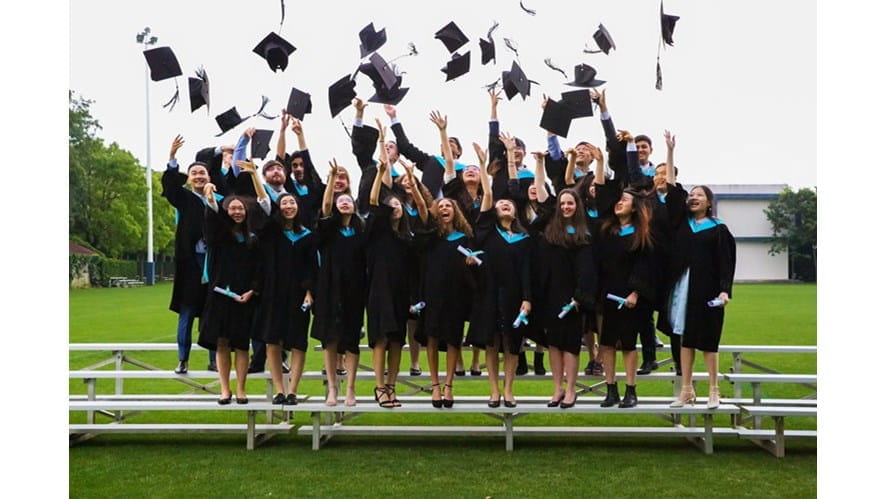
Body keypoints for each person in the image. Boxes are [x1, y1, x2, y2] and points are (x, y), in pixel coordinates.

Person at [660, 133, 737, 409]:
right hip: (682, 288)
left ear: (708, 202)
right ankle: (686, 389)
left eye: (698, 195)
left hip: (707, 289)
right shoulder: (681, 223)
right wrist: (670, 152)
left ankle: (714, 389)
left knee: (708, 340)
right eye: (691, 195)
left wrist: (725, 290)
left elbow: (727, 263)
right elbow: (670, 187)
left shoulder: (718, 229)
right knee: (683, 337)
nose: (692, 198)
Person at [243, 157, 316, 406]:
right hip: (273, 292)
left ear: (298, 207)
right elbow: (264, 202)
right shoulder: (271, 231)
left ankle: (293, 389)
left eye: (291, 202)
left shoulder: (307, 236)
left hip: (297, 294)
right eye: (284, 203)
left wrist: (309, 292)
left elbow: (311, 266)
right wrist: (255, 174)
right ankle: (279, 389)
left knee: (298, 342)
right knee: (273, 340)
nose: (288, 206)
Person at [365, 122, 428, 407]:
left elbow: (424, 215)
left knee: (397, 341)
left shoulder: (407, 235)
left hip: (401, 290)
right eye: (390, 204)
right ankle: (379, 387)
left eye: (398, 204)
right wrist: (381, 169)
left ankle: (392, 385)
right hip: (380, 290)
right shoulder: (377, 231)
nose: (395, 206)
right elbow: (375, 198)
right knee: (380, 338)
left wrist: (412, 184)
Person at [466, 142, 533, 408]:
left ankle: (508, 389)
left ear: (516, 210)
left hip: (515, 295)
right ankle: (493, 389)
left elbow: (528, 271)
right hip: (489, 293)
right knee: (492, 342)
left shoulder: (523, 238)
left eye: (509, 203)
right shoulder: (487, 232)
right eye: (500, 203)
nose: (504, 204)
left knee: (513, 343)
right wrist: (483, 167)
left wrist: (527, 298)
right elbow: (486, 197)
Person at [593, 145, 657, 408]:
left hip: (631, 296)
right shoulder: (606, 230)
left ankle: (631, 390)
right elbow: (603, 196)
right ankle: (611, 389)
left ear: (635, 207)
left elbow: (645, 265)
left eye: (625, 200)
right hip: (607, 293)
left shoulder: (642, 234)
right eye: (618, 200)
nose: (619, 202)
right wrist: (600, 163)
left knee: (629, 345)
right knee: (606, 344)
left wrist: (635, 293)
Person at [535, 180, 597, 410]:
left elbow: (587, 268)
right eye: (562, 203)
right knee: (554, 344)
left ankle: (571, 389)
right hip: (551, 293)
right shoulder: (551, 229)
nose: (566, 207)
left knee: (570, 344)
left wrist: (580, 296)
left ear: (577, 205)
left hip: (573, 297)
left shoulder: (584, 232)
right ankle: (557, 388)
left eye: (570, 203)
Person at [162, 135, 221, 374]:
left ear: (209, 178)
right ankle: (183, 358)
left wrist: (211, 200)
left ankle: (214, 359)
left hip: (213, 262)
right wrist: (172, 158)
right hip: (190, 263)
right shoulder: (184, 198)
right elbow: (170, 188)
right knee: (187, 311)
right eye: (194, 173)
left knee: (213, 312)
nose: (198, 176)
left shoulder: (219, 201)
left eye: (202, 173)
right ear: (189, 178)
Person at [311, 159, 367, 407]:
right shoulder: (328, 228)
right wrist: (332, 179)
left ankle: (351, 389)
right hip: (329, 288)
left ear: (354, 206)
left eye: (348, 200)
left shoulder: (361, 230)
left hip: (355, 289)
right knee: (330, 339)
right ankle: (333, 389)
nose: (344, 202)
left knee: (351, 339)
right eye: (340, 200)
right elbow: (324, 205)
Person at [198, 186, 260, 405]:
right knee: (222, 343)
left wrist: (252, 290)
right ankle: (225, 389)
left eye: (240, 208)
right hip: (221, 295)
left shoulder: (253, 239)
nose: (236, 212)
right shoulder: (219, 236)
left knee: (242, 344)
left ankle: (241, 389)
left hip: (245, 298)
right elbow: (212, 214)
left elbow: (259, 269)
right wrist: (209, 195)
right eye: (232, 208)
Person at [415, 192, 476, 408]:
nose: (444, 209)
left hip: (456, 294)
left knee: (453, 339)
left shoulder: (464, 237)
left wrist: (471, 261)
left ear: (455, 211)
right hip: (432, 293)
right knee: (431, 337)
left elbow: (475, 263)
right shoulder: (430, 237)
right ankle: (434, 385)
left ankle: (449, 385)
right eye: (440, 206)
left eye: (448, 206)